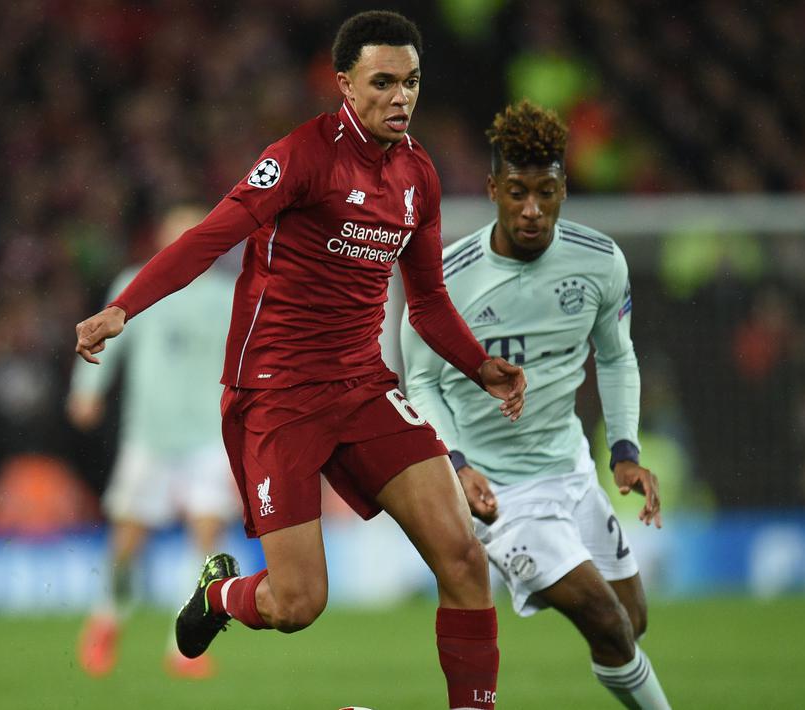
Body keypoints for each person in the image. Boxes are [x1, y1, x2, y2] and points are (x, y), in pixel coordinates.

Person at [73, 11, 526, 710]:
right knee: (296, 602)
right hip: (277, 395)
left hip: (363, 387)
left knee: (463, 556)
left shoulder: (417, 175)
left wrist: (481, 367)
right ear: (345, 83)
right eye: (382, 82)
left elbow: (428, 301)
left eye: (410, 82)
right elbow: (210, 235)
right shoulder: (301, 157)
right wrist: (122, 309)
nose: (400, 97)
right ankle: (219, 594)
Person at [400, 100, 672, 709]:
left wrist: (624, 451)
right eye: (517, 192)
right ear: (494, 188)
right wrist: (458, 466)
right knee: (605, 620)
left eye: (546, 192)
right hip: (498, 493)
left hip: (571, 472)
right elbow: (422, 384)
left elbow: (617, 356)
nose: (531, 209)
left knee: (631, 622)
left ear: (564, 189)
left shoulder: (600, 262)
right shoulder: (444, 279)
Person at [70, 205, 239, 678]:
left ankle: (183, 647)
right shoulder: (137, 284)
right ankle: (107, 618)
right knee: (127, 542)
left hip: (208, 434)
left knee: (206, 539)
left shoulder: (228, 295)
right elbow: (108, 337)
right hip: (150, 434)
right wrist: (86, 392)